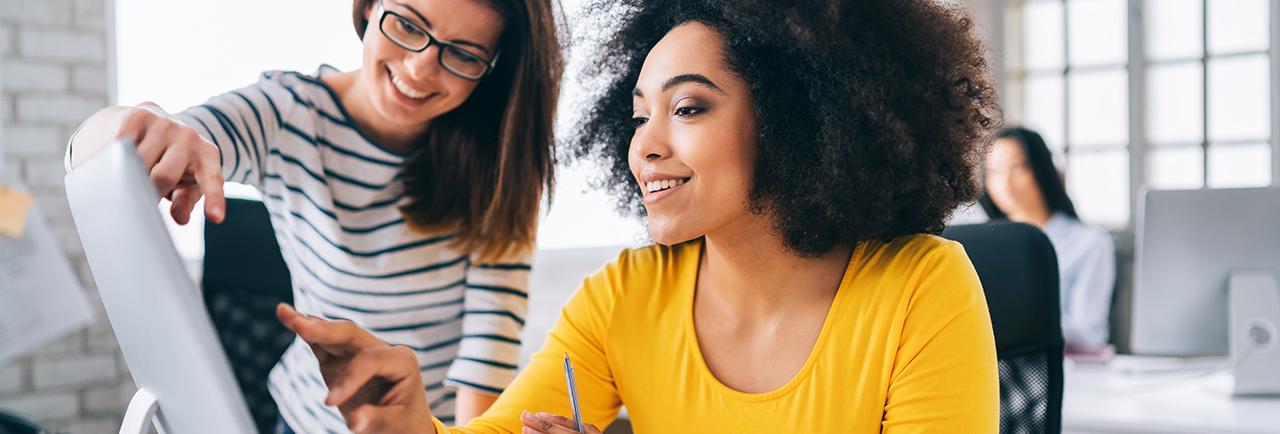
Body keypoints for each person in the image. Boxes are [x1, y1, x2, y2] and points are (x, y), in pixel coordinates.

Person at [277, 0, 1002, 432]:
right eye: (636, 115)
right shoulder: (626, 297)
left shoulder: (922, 289)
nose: (645, 148)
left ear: (795, 120)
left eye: (688, 108)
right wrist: (412, 425)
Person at [64, 0, 563, 430]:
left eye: (461, 55)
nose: (419, 69)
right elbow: (125, 144)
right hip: (304, 419)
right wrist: (130, 130)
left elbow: (485, 362)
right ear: (369, 7)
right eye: (408, 24)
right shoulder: (289, 115)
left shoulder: (500, 165)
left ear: (494, 68)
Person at [980, 126, 1117, 351]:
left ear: (1041, 169)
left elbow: (1090, 334)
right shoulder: (985, 243)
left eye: (1017, 168)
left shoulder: (1090, 243)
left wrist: (1020, 319)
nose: (1005, 183)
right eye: (994, 171)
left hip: (1066, 369)